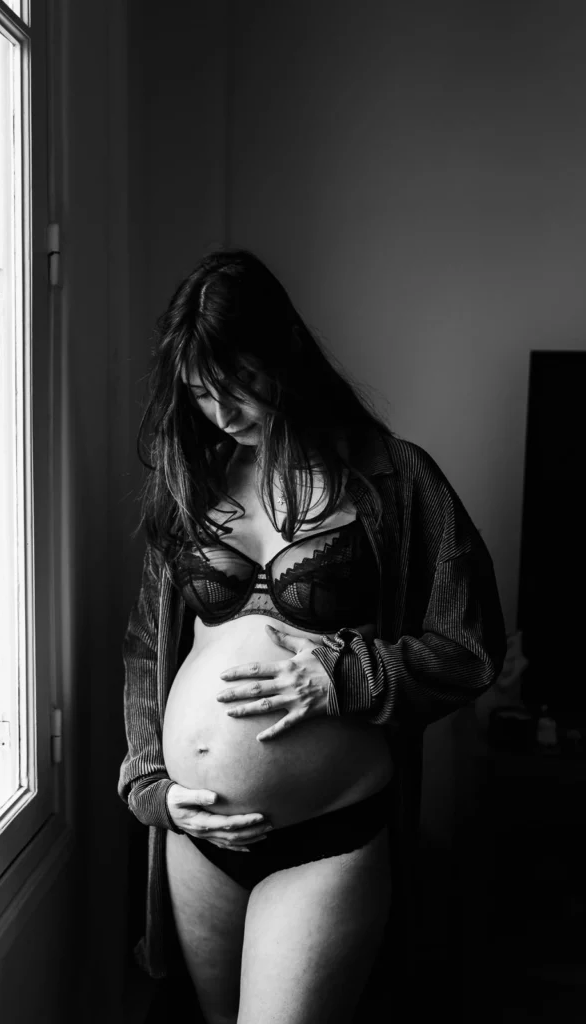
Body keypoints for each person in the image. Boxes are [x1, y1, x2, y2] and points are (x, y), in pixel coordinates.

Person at [118, 247, 507, 1024]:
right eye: (199, 393)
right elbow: (146, 652)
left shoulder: (395, 480)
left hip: (326, 837)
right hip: (200, 835)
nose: (223, 412)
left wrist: (341, 673)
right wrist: (153, 785)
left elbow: (469, 649)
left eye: (236, 383)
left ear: (282, 356)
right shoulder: (193, 483)